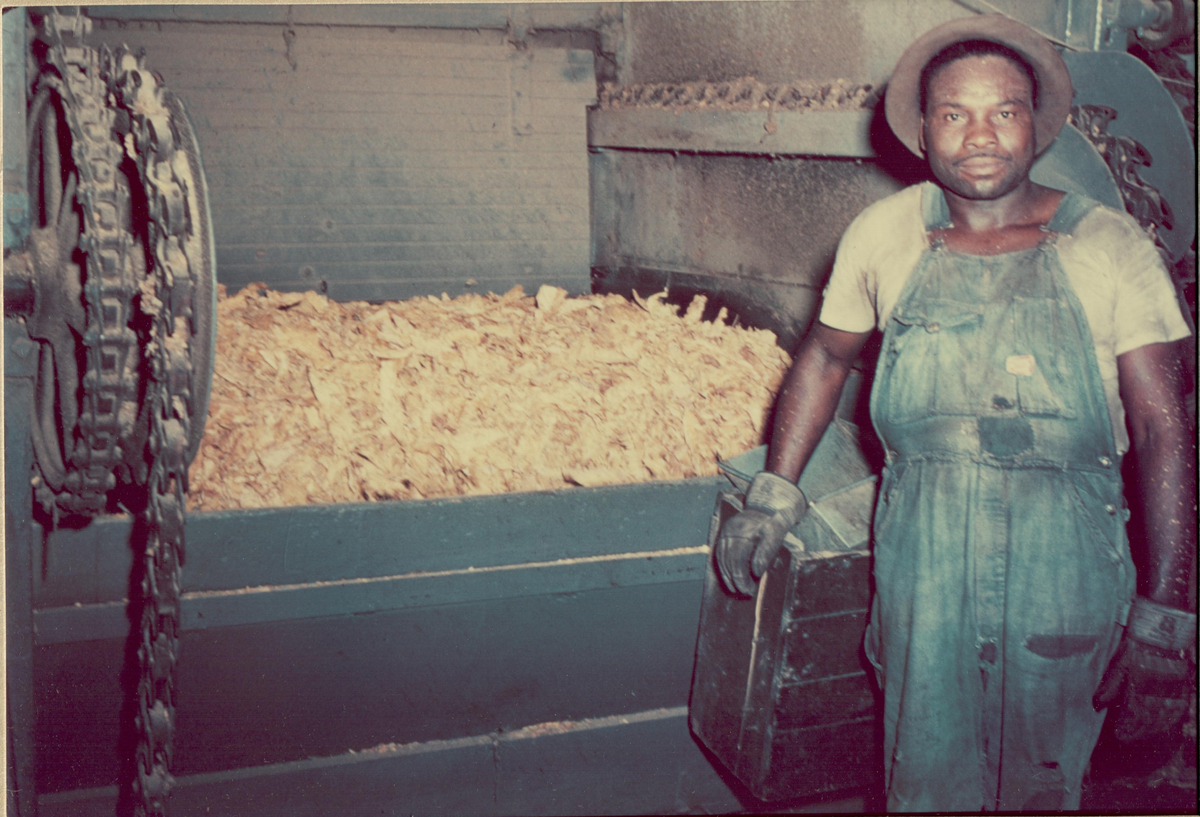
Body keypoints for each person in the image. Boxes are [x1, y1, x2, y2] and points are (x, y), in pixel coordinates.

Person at [713, 14, 1196, 812]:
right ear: (922, 130)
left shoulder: (1109, 245)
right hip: (923, 566)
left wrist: (1167, 616)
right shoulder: (884, 233)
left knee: (1047, 785)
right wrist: (774, 493)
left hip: (1067, 568)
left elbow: (1161, 427)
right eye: (954, 113)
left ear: (1038, 125)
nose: (980, 136)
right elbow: (825, 357)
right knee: (924, 779)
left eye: (1004, 111)